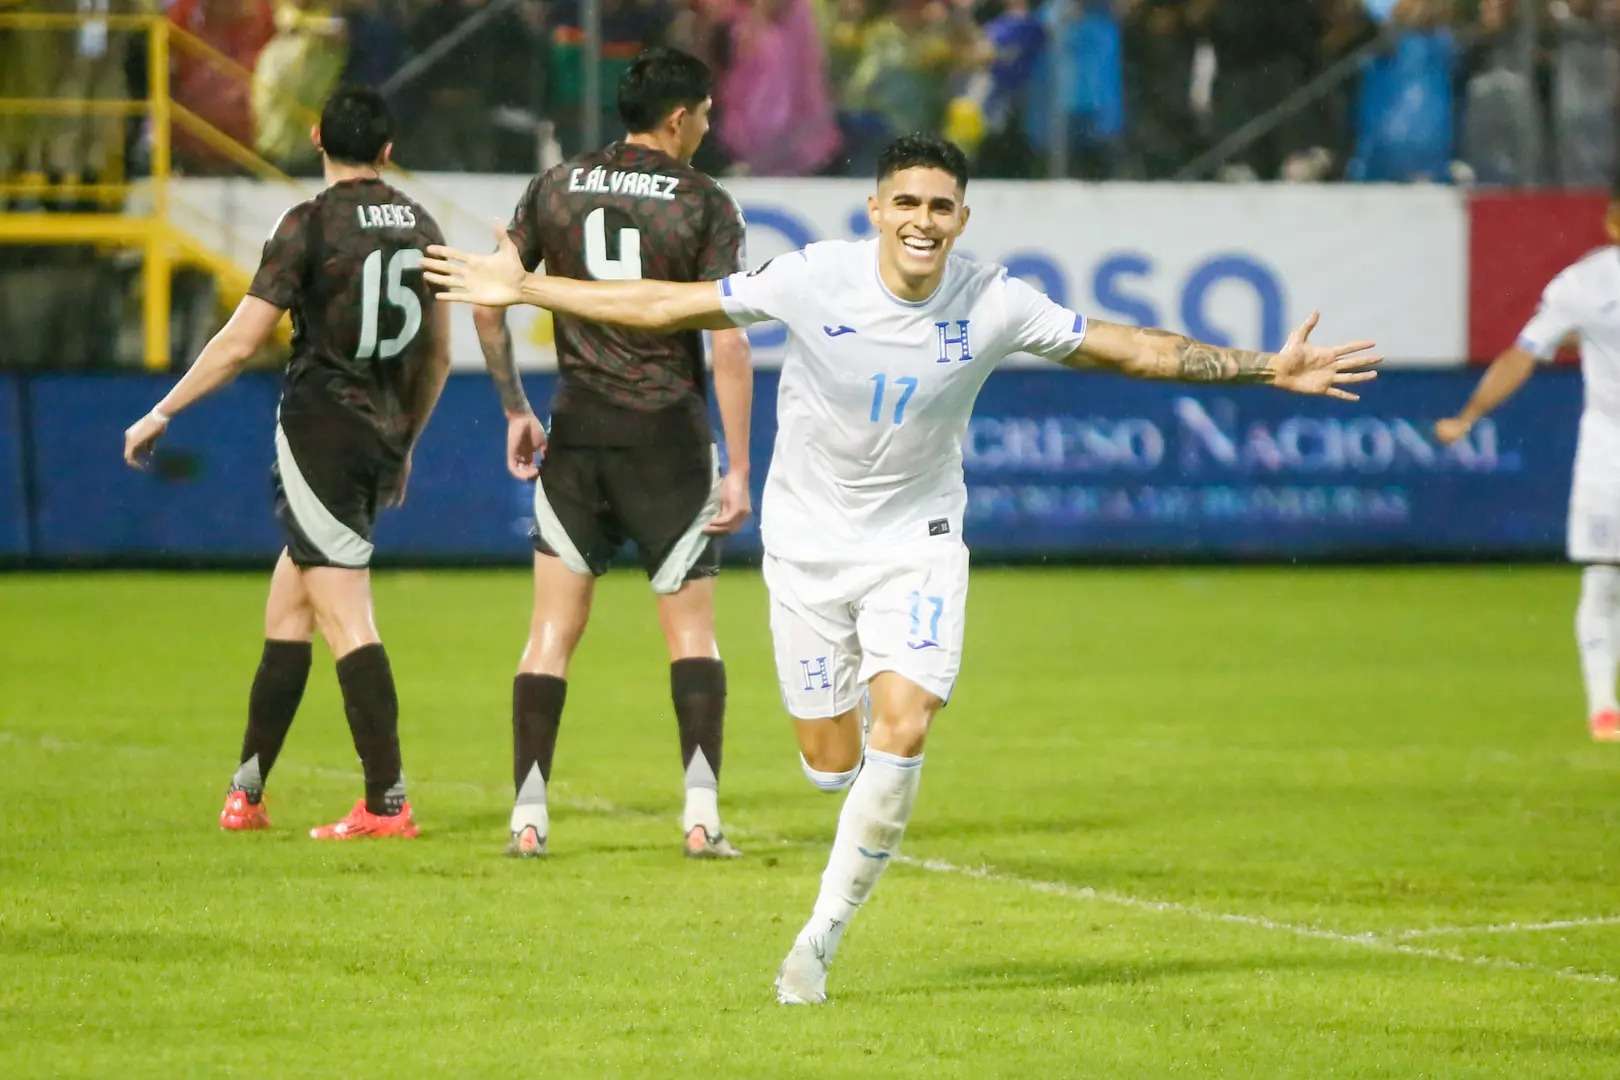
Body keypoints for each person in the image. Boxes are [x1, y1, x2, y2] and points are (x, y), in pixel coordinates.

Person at [424, 133, 1380, 1003]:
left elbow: (1129, 348)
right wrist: (531, 290)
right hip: (807, 548)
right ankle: (843, 761)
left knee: (907, 723)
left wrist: (1268, 367)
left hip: (916, 542)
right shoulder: (815, 278)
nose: (924, 222)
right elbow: (664, 304)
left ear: (962, 218)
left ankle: (818, 942)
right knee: (829, 761)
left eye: (942, 207)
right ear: (876, 210)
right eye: (908, 204)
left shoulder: (993, 299)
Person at [122, 87, 451, 840]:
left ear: (315, 138)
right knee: (289, 610)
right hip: (379, 432)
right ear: (389, 150)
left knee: (345, 615)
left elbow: (241, 342)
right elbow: (435, 356)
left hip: (320, 433)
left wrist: (163, 410)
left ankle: (387, 803)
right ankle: (247, 791)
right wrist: (405, 442)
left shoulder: (308, 224)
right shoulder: (422, 225)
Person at [469, 46, 754, 860]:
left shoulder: (554, 187)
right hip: (668, 439)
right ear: (678, 118)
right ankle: (701, 819)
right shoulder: (704, 202)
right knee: (691, 636)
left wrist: (515, 408)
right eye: (705, 113)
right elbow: (728, 343)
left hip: (579, 434)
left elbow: (489, 302)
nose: (708, 127)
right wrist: (738, 466)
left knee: (550, 633)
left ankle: (528, 819)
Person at [1436, 189, 1620, 743]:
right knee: (1604, 574)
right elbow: (1523, 353)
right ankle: (1603, 706)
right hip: (1610, 447)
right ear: (1613, 223)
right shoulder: (1584, 285)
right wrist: (1469, 415)